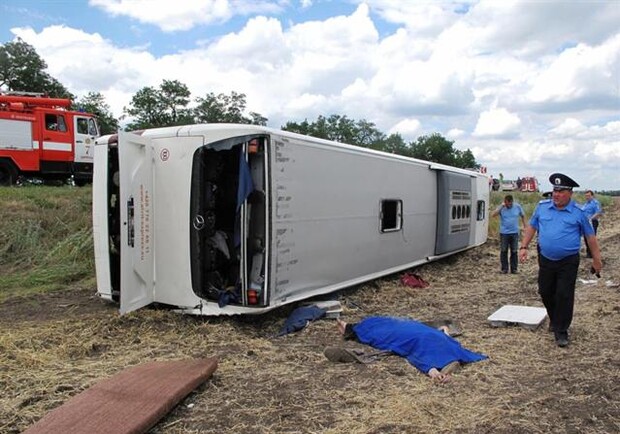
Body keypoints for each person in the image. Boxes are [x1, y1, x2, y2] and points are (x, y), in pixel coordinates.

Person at [518, 173, 602, 347]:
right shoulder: (542, 207)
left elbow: (590, 237)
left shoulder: (578, 213)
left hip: (568, 260)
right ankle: (555, 318)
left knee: (564, 294)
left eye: (561, 191)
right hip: (546, 258)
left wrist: (596, 260)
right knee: (545, 291)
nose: (556, 194)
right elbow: (532, 226)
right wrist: (524, 247)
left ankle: (561, 330)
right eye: (555, 191)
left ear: (570, 193)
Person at [335, 316, 487, 382]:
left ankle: (438, 369)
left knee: (398, 343)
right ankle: (446, 363)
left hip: (412, 336)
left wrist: (433, 373)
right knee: (442, 345)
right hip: (427, 335)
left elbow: (415, 357)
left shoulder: (369, 327)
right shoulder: (453, 346)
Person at [492, 194, 526, 274]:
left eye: (510, 204)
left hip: (514, 233)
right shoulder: (502, 208)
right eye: (507, 204)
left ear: (512, 202)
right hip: (504, 233)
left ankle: (514, 269)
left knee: (514, 251)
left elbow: (523, 215)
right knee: (504, 251)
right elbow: (493, 215)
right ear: (505, 202)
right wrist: (501, 206)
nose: (508, 205)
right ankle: (504, 269)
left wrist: (525, 226)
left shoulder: (517, 206)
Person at [581, 190, 603, 258]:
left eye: (588, 196)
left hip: (592, 222)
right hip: (585, 222)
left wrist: (590, 218)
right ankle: (589, 253)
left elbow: (598, 212)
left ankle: (593, 254)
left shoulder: (595, 203)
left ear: (592, 196)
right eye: (586, 196)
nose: (587, 197)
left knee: (591, 238)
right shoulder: (586, 204)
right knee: (585, 238)